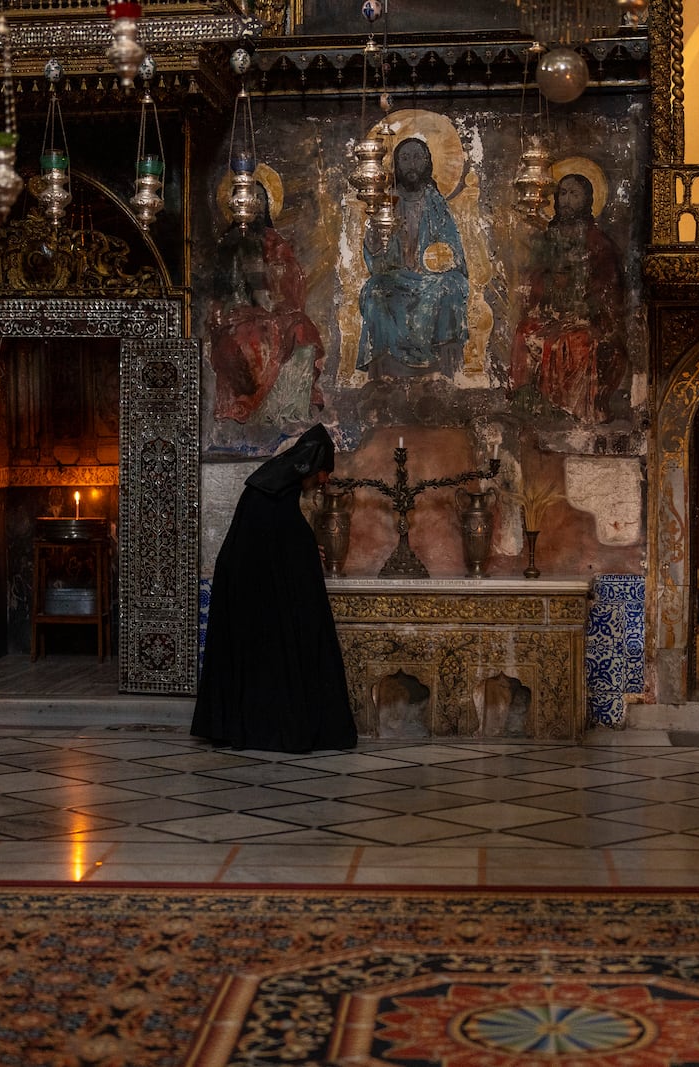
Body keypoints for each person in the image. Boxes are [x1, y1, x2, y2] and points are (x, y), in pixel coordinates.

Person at [192, 424, 357, 753]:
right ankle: (271, 729)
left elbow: (285, 542)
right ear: (310, 466)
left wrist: (308, 550)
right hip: (255, 598)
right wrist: (308, 551)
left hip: (256, 594)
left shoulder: (275, 491)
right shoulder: (272, 494)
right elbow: (282, 545)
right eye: (323, 472)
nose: (324, 480)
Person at [508, 173, 627, 421]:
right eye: (563, 193)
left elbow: (610, 290)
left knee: (569, 341)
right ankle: (530, 402)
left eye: (574, 194)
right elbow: (536, 277)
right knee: (524, 332)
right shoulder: (549, 237)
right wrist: (547, 290)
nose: (567, 201)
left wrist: (585, 306)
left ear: (587, 200)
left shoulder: (599, 243)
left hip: (588, 318)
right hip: (554, 314)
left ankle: (566, 409)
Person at [208, 182, 327, 425]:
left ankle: (290, 409)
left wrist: (277, 274)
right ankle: (253, 409)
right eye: (247, 199)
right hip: (239, 312)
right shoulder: (229, 242)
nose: (254, 205)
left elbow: (291, 280)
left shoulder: (275, 241)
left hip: (274, 309)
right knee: (251, 339)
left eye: (259, 199)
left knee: (302, 330)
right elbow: (220, 290)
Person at [357, 137, 470, 378]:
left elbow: (453, 250)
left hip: (431, 279)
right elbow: (374, 259)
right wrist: (376, 242)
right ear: (396, 164)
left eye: (418, 157)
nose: (411, 164)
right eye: (405, 158)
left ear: (428, 162)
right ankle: (386, 367)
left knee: (451, 285)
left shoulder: (436, 202)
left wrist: (441, 259)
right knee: (375, 289)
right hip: (397, 279)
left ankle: (444, 370)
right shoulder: (386, 201)